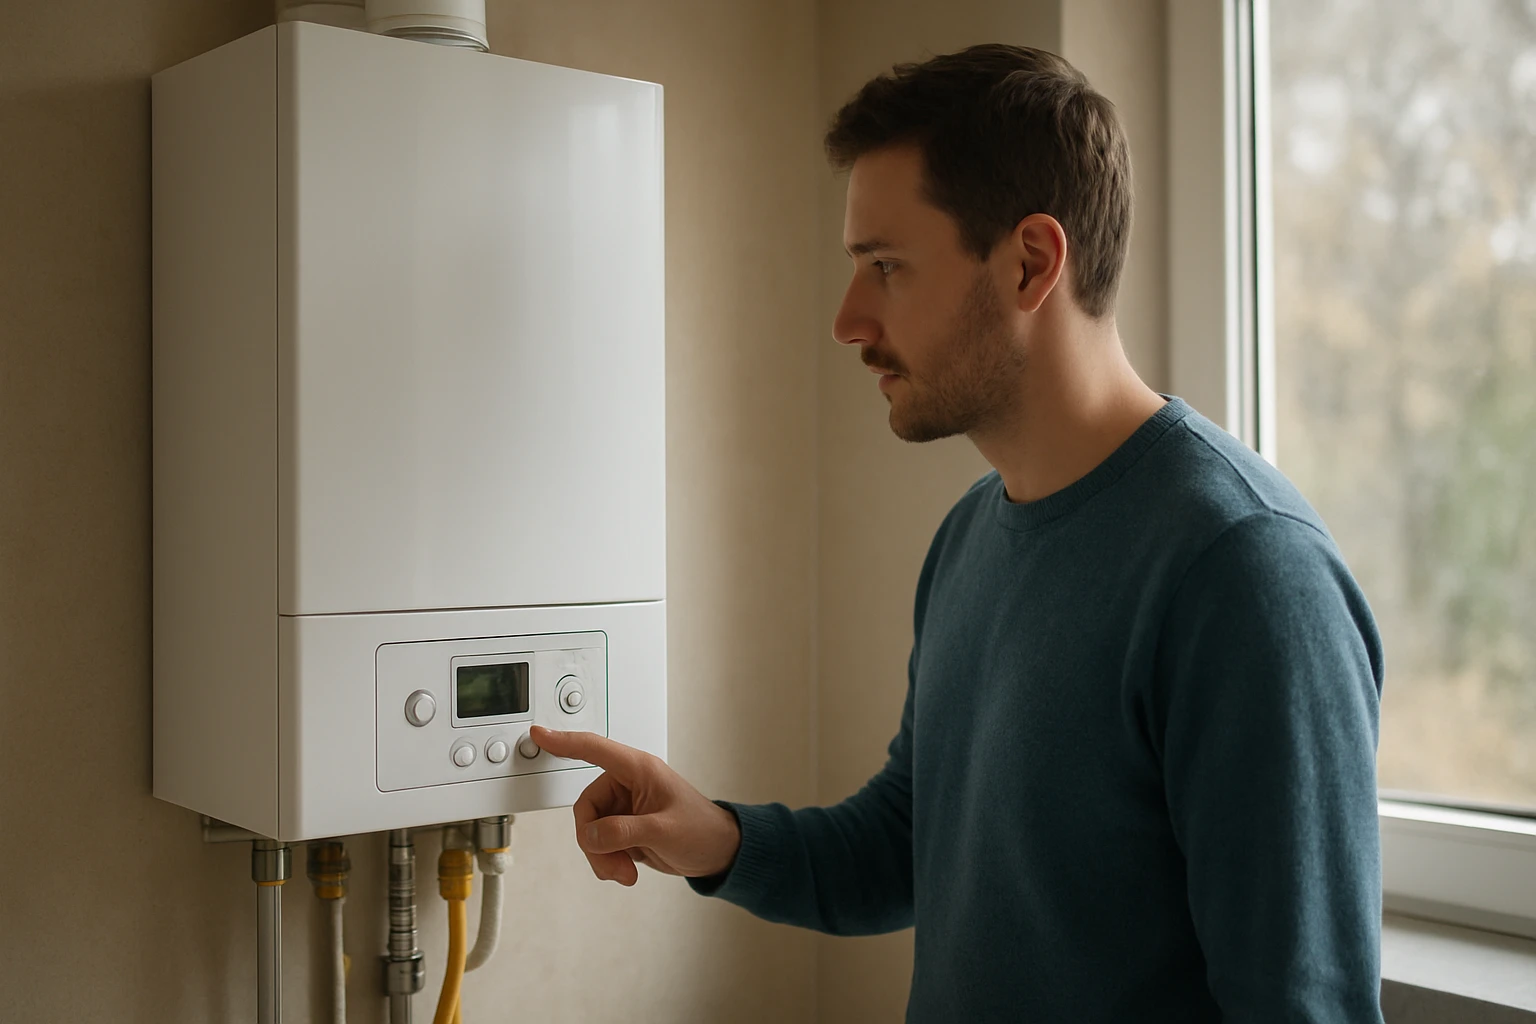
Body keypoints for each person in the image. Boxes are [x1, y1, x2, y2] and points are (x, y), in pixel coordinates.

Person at [531, 43, 1385, 1022]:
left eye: (886, 268)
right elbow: (909, 842)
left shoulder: (1245, 574)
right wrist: (717, 834)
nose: (850, 320)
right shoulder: (971, 536)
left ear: (1030, 263)